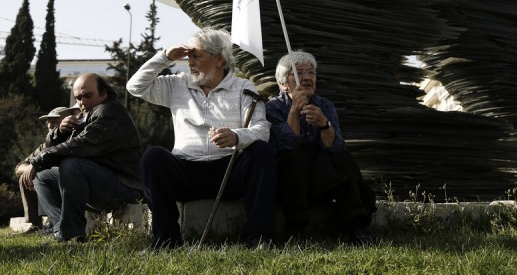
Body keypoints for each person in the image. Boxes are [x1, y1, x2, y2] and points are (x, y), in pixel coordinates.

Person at [126, 27, 275, 250]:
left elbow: (261, 129)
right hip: (185, 171)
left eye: (197, 56)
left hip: (228, 170)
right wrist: (165, 57)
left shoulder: (243, 87)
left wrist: (237, 136)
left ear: (219, 59)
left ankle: (258, 238)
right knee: (153, 156)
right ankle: (166, 240)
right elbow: (135, 87)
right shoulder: (176, 84)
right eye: (188, 56)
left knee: (262, 152)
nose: (190, 62)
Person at [266, 51, 377, 243]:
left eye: (311, 72)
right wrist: (294, 110)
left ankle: (357, 227)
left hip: (323, 178)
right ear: (283, 84)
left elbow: (336, 145)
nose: (307, 77)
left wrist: (324, 124)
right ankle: (295, 230)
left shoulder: (324, 105)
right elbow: (287, 144)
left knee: (342, 157)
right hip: (290, 180)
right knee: (295, 158)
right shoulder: (272, 107)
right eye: (298, 73)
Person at [25, 73, 142, 242]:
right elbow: (58, 147)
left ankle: (72, 234)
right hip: (98, 181)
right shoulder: (87, 114)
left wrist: (37, 161)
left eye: (88, 95)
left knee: (72, 165)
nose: (82, 102)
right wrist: (59, 132)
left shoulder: (110, 112)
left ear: (104, 94)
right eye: (78, 98)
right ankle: (60, 230)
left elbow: (81, 146)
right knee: (43, 177)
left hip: (125, 187)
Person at [14, 106, 79, 232]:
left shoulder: (72, 140)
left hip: (71, 184)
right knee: (26, 176)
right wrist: (32, 169)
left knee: (41, 176)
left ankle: (60, 225)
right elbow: (19, 167)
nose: (51, 125)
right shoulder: (45, 146)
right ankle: (35, 223)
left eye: (56, 121)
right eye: (49, 121)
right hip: (52, 186)